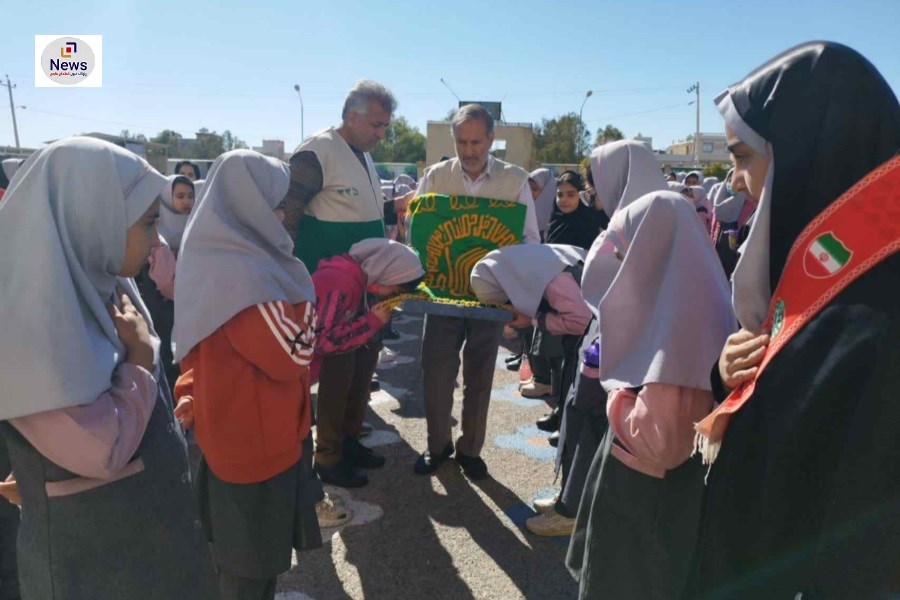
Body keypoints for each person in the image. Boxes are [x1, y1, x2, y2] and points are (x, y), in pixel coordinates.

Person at [690, 41, 900, 599]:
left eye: (742, 157)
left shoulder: (880, 316)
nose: (734, 181)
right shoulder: (834, 274)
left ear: (807, 151)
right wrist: (729, 373)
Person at [0, 137, 219, 600]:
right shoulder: (29, 323)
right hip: (98, 568)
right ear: (91, 218)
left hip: (143, 546)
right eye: (148, 222)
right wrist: (140, 362)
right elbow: (99, 449)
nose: (156, 238)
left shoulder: (102, 281)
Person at [566, 191, 736, 600]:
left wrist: (616, 396)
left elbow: (660, 441)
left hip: (644, 500)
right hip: (660, 496)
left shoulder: (677, 321)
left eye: (626, 252)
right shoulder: (693, 293)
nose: (620, 262)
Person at [172, 150, 322, 600]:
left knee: (250, 563)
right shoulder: (246, 275)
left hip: (240, 435)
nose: (283, 213)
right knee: (249, 569)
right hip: (256, 449)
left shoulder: (221, 255)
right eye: (275, 202)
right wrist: (308, 300)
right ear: (249, 205)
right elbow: (296, 353)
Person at [414, 103, 540, 480]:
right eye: (461, 142)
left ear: (491, 139)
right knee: (436, 370)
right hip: (441, 297)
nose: (469, 151)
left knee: (481, 375)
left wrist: (520, 298)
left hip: (490, 298)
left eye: (476, 142)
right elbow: (416, 236)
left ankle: (470, 449)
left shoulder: (515, 180)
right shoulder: (435, 177)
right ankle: (437, 446)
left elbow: (529, 241)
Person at [311, 238, 424, 488]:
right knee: (335, 394)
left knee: (360, 383)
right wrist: (372, 322)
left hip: (350, 343)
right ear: (383, 276)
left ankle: (348, 443)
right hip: (326, 357)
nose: (395, 297)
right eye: (395, 291)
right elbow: (325, 343)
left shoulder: (363, 278)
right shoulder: (339, 281)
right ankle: (328, 459)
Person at [709, 168, 756, 278]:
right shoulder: (719, 201)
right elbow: (713, 225)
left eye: (737, 179)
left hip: (738, 249)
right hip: (718, 245)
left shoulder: (752, 202)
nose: (732, 183)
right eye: (730, 179)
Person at [528, 167, 557, 241]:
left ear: (546, 192)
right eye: (528, 188)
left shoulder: (556, 219)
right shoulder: (521, 209)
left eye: (535, 189)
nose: (529, 192)